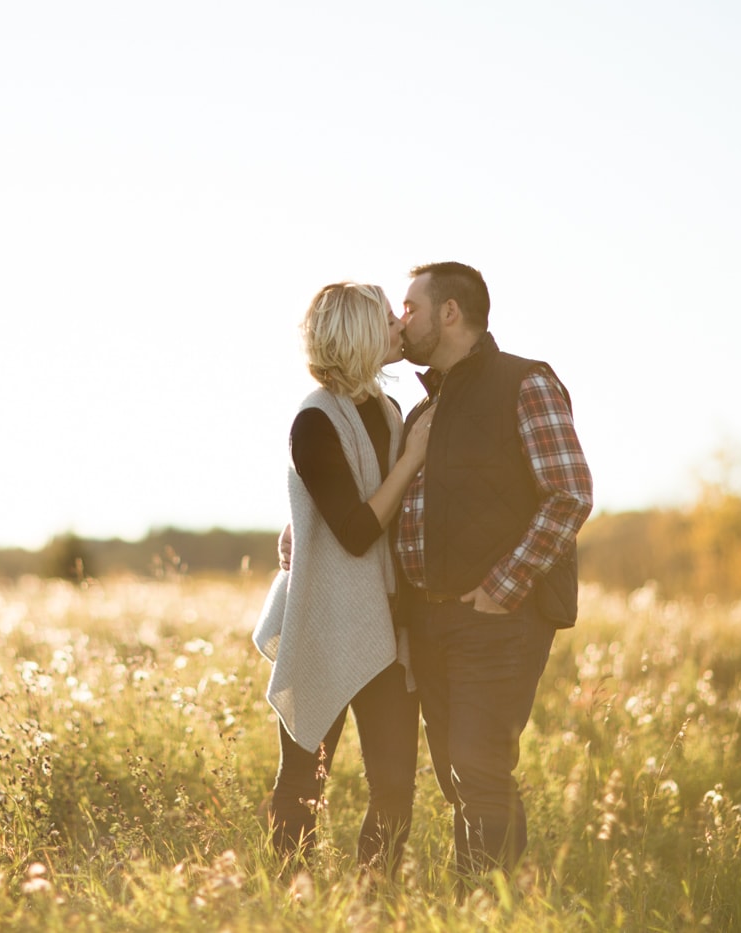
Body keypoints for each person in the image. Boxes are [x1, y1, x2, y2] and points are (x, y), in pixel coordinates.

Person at [394, 261, 593, 883]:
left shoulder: (525, 382)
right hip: (430, 623)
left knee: (480, 771)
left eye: (411, 307)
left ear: (450, 312)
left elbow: (570, 493)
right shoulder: (424, 408)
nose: (403, 322)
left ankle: (481, 911)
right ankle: (488, 903)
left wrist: (501, 590)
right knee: (462, 778)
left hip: (499, 620)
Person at [253, 281, 434, 877]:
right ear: (360, 334)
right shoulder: (313, 421)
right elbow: (355, 532)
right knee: (305, 779)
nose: (400, 327)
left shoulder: (387, 411)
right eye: (388, 320)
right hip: (323, 619)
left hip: (386, 622)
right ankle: (291, 899)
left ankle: (372, 899)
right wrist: (412, 459)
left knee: (395, 787)